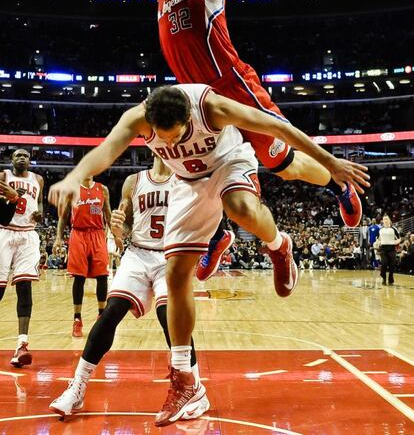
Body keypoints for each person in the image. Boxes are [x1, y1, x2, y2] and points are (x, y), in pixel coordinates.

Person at [48, 83, 369, 427]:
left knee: (239, 206)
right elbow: (107, 150)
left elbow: (278, 126)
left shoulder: (211, 107)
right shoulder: (138, 118)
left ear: (188, 118)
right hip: (189, 183)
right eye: (163, 138)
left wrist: (330, 160)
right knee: (175, 275)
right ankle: (186, 382)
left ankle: (278, 245)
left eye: (176, 136)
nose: (170, 145)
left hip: (228, 163)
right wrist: (74, 176)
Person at [121, 0, 363, 265]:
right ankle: (220, 234)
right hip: (197, 100)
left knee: (284, 165)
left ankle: (338, 185)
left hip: (233, 84)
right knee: (196, 169)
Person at [49, 156, 209, 420]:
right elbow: (124, 220)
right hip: (138, 253)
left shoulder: (185, 180)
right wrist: (118, 228)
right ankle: (77, 387)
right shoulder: (133, 182)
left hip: (169, 257)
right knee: (111, 312)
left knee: (168, 315)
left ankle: (196, 388)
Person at [0, 149, 43, 367]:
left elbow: (40, 207)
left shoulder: (38, 179)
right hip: (4, 231)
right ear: (11, 160)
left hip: (28, 235)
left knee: (24, 287)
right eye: (17, 155)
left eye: (25, 155)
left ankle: (22, 345)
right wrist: (12, 200)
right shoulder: (3, 176)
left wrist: (39, 214)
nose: (22, 158)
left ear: (30, 160)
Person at [53, 176, 111, 337]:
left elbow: (108, 214)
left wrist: (116, 236)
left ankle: (102, 315)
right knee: (79, 277)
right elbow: (63, 217)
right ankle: (77, 319)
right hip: (78, 234)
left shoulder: (102, 189)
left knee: (102, 276)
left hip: (98, 234)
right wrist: (58, 238)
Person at [378, 214, 400, 286]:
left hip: (392, 249)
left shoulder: (393, 229)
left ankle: (390, 279)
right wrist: (378, 243)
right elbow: (379, 239)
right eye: (384, 219)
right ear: (383, 221)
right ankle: (383, 277)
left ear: (389, 220)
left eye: (387, 219)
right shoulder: (381, 230)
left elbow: (399, 238)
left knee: (392, 265)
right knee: (384, 263)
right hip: (383, 249)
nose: (385, 220)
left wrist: (396, 242)